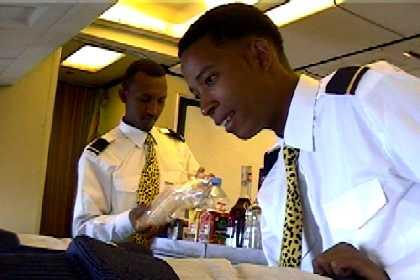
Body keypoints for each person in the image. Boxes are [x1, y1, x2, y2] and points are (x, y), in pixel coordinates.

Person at [178, 3, 420, 280]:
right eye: (197, 95)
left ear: (259, 56)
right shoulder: (273, 184)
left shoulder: (366, 97)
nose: (205, 106)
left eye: (210, 79)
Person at [73, 59, 200, 248]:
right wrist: (128, 222)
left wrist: (204, 191)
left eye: (161, 100)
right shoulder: (99, 156)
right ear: (124, 95)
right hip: (117, 263)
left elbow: (197, 198)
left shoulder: (177, 147)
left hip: (170, 261)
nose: (153, 110)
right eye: (145, 99)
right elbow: (82, 230)